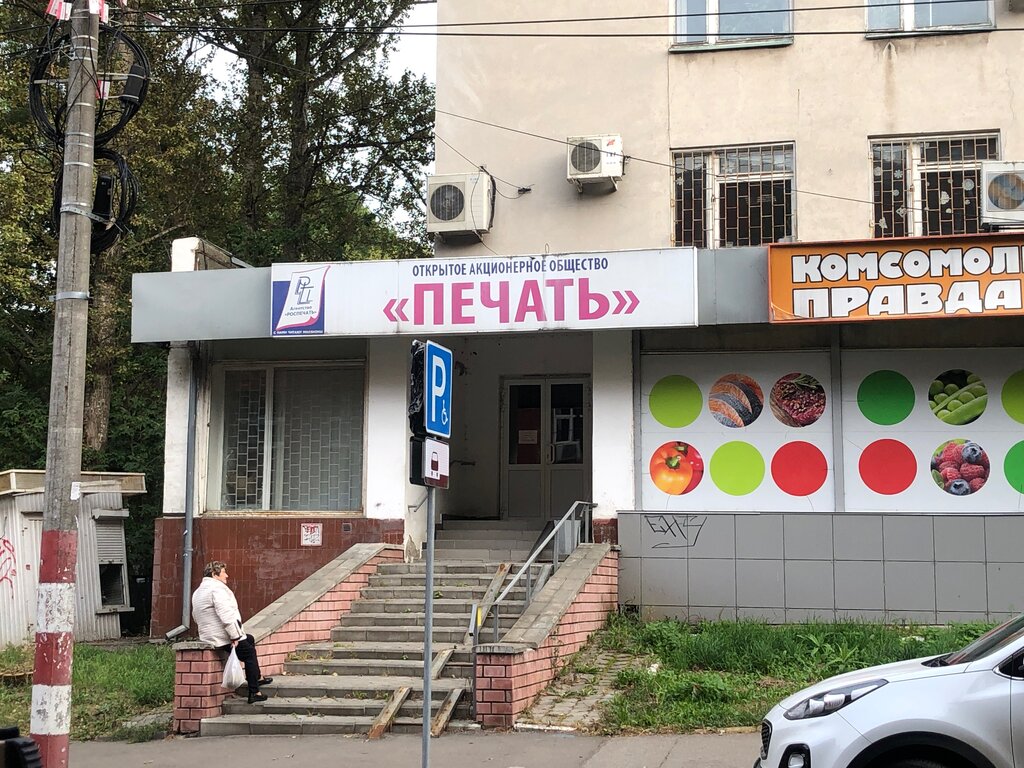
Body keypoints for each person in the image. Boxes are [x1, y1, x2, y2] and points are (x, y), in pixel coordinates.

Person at [192, 560, 273, 704]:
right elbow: (226, 615)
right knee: (249, 654)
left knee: (249, 639)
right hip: (222, 637)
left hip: (209, 635)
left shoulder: (199, 591)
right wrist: (234, 636)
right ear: (214, 574)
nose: (227, 575)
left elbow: (195, 616)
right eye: (224, 572)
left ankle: (257, 677)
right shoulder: (217, 589)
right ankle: (254, 692)